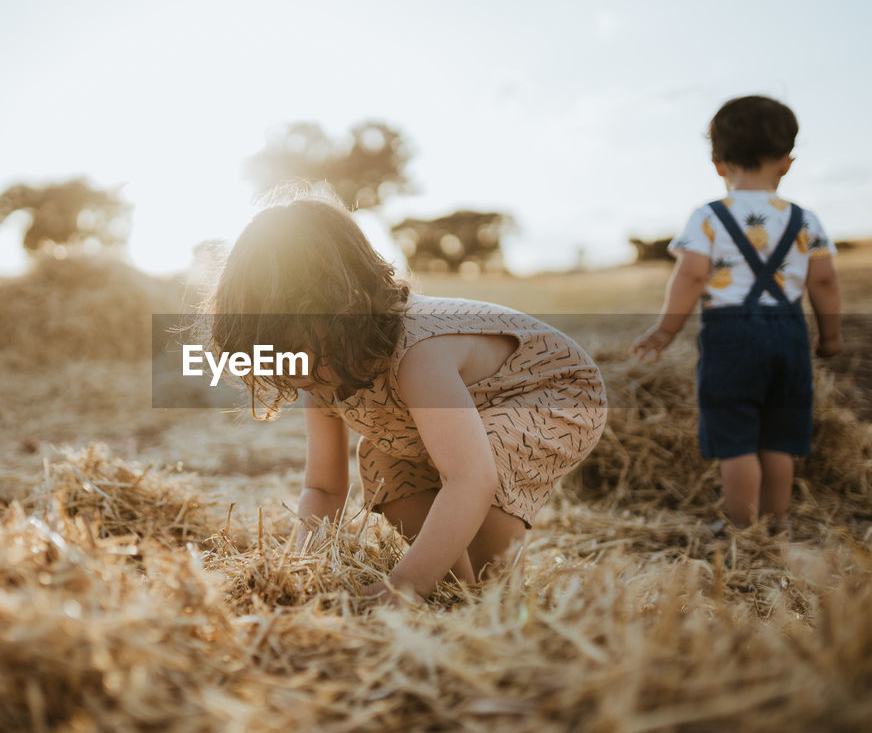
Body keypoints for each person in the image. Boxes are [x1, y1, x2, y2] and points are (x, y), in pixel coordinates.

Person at [207, 194, 606, 605]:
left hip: (551, 393)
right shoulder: (321, 375)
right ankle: (458, 594)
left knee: (484, 466)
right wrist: (294, 571)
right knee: (383, 461)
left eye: (292, 346)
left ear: (349, 310)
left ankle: (500, 601)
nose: (288, 370)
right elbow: (324, 488)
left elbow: (472, 477)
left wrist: (407, 582)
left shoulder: (419, 352)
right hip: (469, 407)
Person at [632, 95, 843, 534]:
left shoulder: (708, 218)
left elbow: (690, 278)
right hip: (789, 334)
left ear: (717, 162)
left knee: (736, 439)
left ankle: (742, 530)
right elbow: (823, 282)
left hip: (731, 338)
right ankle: (778, 522)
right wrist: (831, 335)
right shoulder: (806, 220)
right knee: (779, 437)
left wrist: (665, 331)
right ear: (788, 161)